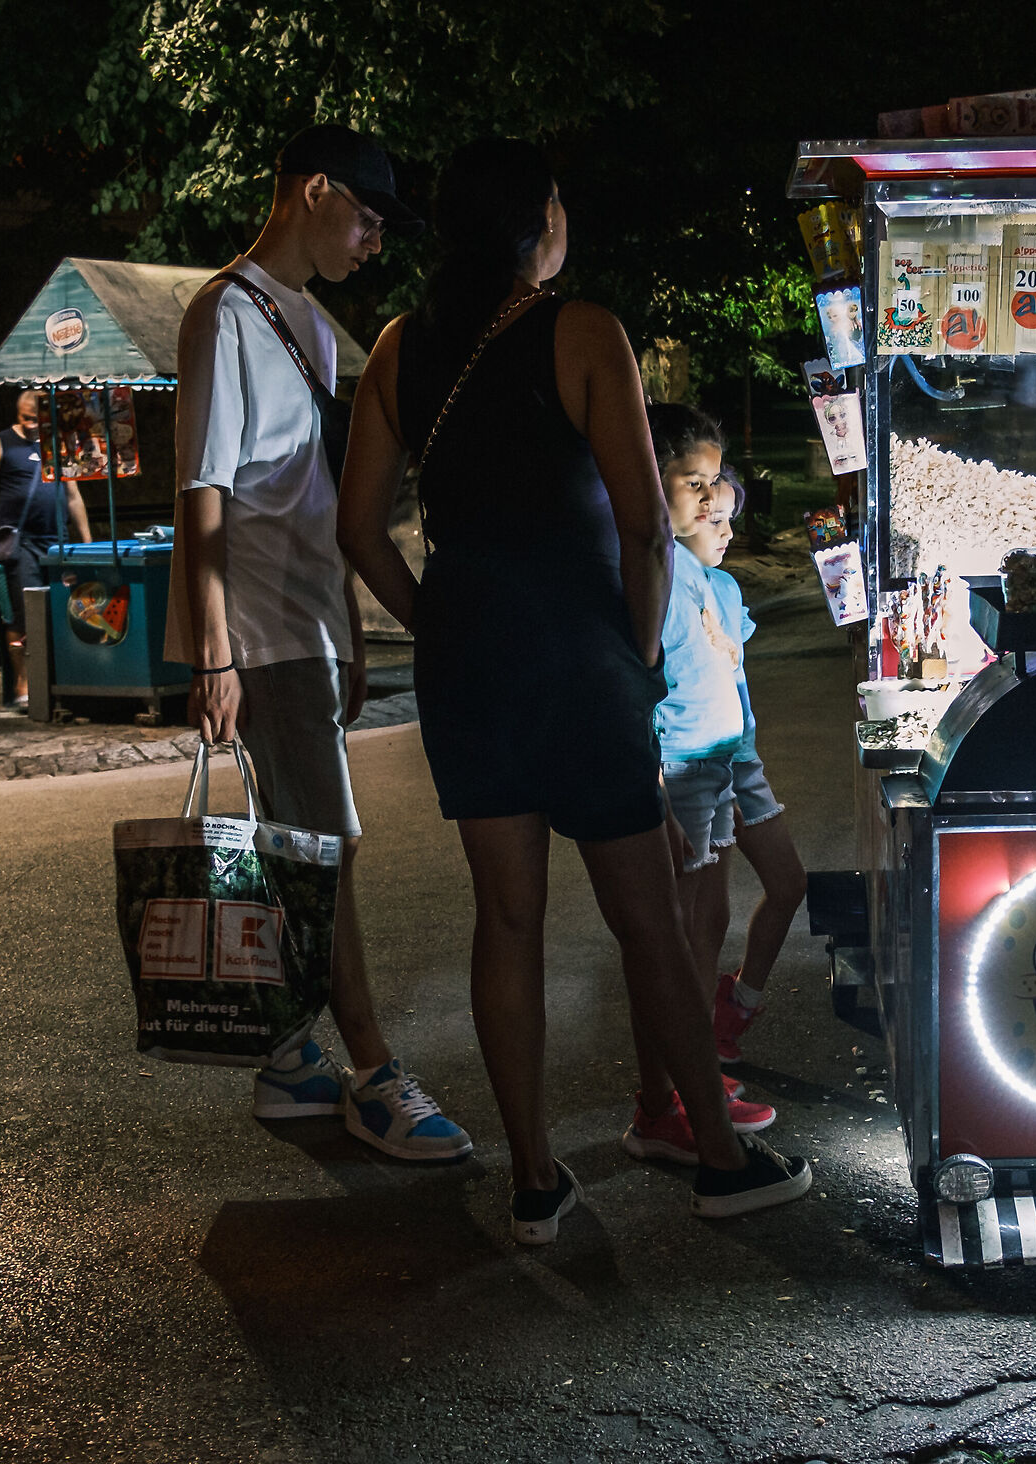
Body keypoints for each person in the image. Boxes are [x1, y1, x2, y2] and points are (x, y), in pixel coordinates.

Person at [335, 137, 811, 1243]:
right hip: (581, 655)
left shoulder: (399, 346)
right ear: (539, 219)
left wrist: (438, 623)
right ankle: (720, 1158)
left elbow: (359, 527)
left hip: (472, 662)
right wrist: (639, 656)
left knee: (506, 917)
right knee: (646, 917)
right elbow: (645, 524)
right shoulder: (585, 331)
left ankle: (537, 1181)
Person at [167, 124, 472, 1164]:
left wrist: (347, 624)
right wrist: (213, 652)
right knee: (326, 845)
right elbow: (203, 489)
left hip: (307, 618)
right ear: (313, 191)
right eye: (369, 216)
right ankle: (374, 1071)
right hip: (256, 624)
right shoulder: (223, 313)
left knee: (304, 841)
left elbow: (321, 499)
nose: (376, 241)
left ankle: (295, 1058)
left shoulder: (316, 328)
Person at [632, 408, 782, 1156]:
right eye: (694, 484)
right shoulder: (655, 564)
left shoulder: (691, 570)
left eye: (712, 484)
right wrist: (658, 786)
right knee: (676, 935)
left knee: (705, 922)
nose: (709, 499)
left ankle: (691, 1079)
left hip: (715, 759)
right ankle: (670, 1097)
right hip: (683, 765)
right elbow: (645, 686)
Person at [687, 472, 810, 1071]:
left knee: (788, 883)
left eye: (731, 518)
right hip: (697, 764)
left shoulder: (726, 589)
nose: (730, 532)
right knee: (706, 915)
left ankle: (737, 1005)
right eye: (717, 520)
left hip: (742, 758)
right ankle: (695, 1049)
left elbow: (733, 669)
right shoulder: (666, 590)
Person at [0, 390, 91, 706]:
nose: (33, 425)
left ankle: (59, 678)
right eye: (27, 418)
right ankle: (23, 682)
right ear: (17, 414)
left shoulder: (57, 441)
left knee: (63, 609)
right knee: (22, 612)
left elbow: (74, 496)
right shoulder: (0, 443)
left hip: (57, 539)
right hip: (21, 541)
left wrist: (87, 541)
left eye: (38, 418)